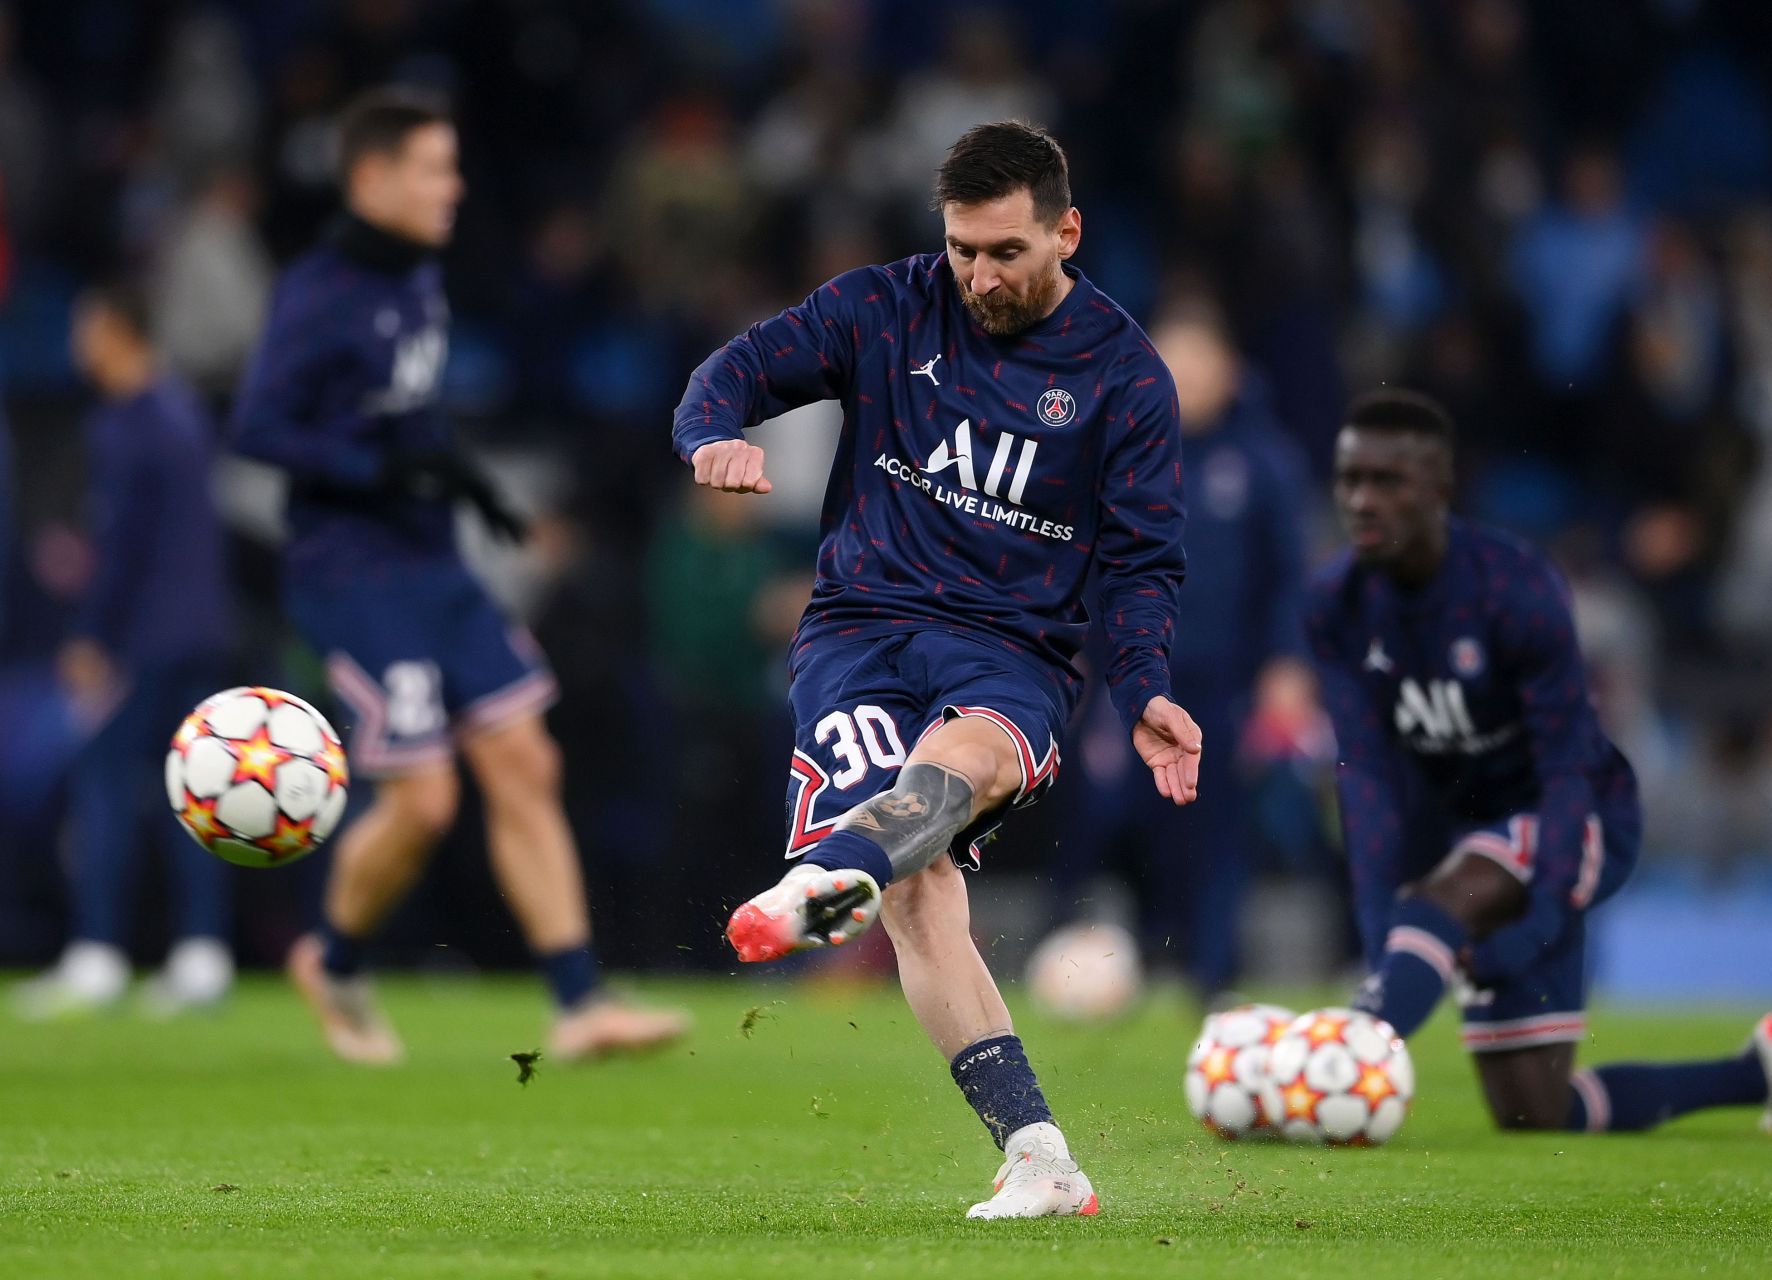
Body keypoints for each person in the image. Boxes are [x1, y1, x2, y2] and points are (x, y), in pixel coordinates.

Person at [674, 122, 1202, 1219]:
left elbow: (1144, 560)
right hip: (859, 629)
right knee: (918, 887)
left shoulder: (1125, 377)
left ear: (1067, 231)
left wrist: (1144, 681)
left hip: (1015, 653)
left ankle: (831, 870)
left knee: (946, 771)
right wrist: (710, 432)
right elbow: (739, 366)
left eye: (1006, 251)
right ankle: (1042, 1157)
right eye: (963, 248)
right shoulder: (885, 306)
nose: (979, 275)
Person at [230, 87, 684, 1065]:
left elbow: (409, 412)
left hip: (431, 560)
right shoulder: (319, 291)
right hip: (351, 568)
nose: (455, 185)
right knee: (427, 799)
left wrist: (459, 472)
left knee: (528, 761)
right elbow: (257, 424)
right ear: (371, 177)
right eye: (434, 167)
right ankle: (334, 955)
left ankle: (579, 1001)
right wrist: (377, 468)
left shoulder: (417, 278)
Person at [1305, 388, 1772, 1140]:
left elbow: (1568, 765)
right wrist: (1384, 937)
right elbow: (1369, 778)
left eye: (1388, 481)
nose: (1362, 500)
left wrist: (1539, 919)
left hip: (1574, 813)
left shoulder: (1515, 589)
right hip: (1469, 825)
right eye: (1350, 480)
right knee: (1538, 1112)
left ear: (1440, 490)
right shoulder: (1335, 602)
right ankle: (1762, 1069)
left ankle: (1337, 1064)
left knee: (1443, 897)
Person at [1045, 301, 1315, 997]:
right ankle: (1095, 956)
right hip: (1123, 682)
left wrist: (1287, 665)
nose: (1184, 379)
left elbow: (1291, 576)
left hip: (1223, 679)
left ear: (1229, 373)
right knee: (1108, 819)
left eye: (1198, 364)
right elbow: (1071, 564)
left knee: (1217, 828)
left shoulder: (1264, 464)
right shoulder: (1111, 455)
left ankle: (1211, 974)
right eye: (1171, 364)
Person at [14, 285, 235, 1018]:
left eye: (86, 329)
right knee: (198, 793)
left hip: (143, 637)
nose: (79, 346)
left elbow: (122, 549)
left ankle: (99, 953)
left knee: (106, 786)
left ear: (115, 332)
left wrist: (93, 638)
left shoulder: (125, 424)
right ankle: (203, 952)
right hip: (201, 627)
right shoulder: (184, 411)